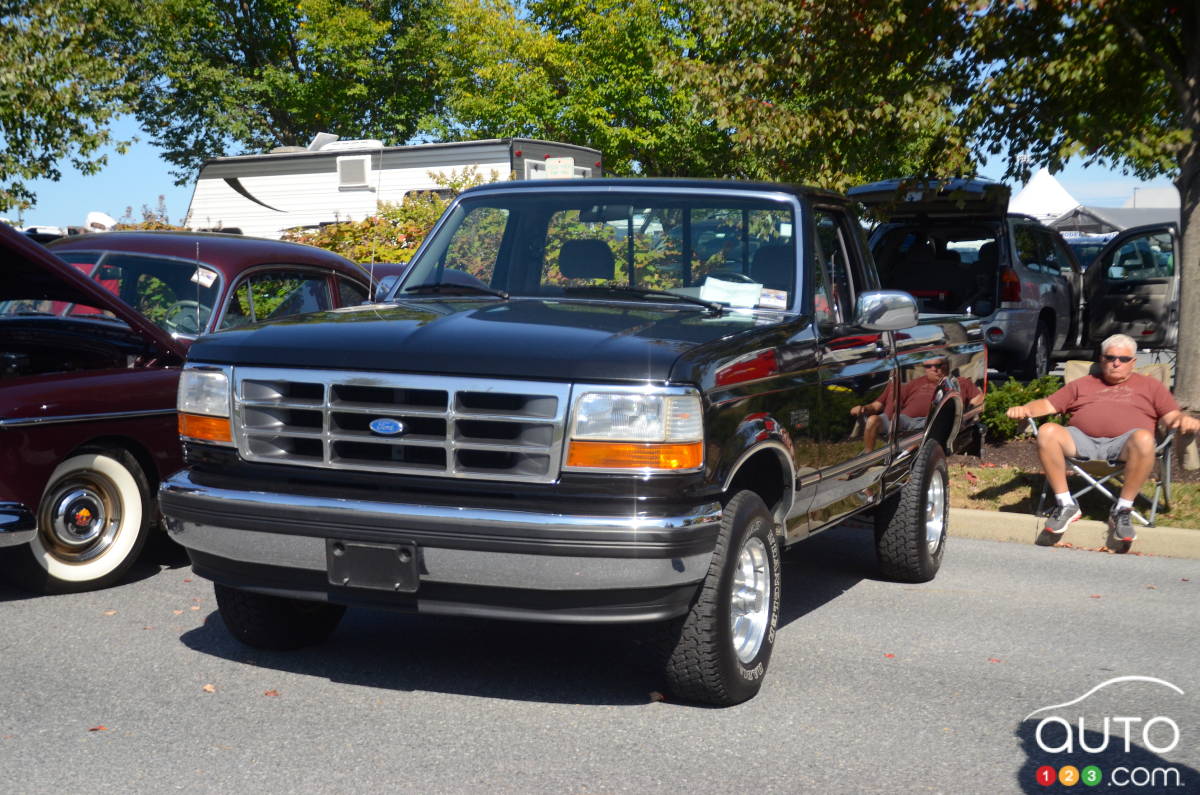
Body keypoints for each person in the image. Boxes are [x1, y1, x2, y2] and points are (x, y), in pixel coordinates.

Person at [1006, 333, 1200, 549]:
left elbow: (1171, 417)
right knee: (1047, 431)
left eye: (1124, 359)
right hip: (1082, 441)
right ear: (1101, 359)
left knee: (1145, 438)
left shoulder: (1151, 386)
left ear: (1133, 362)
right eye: (1110, 357)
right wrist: (1025, 409)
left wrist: (1184, 420)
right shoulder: (1082, 384)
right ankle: (1066, 504)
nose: (1116, 363)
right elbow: (1048, 405)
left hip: (1125, 446)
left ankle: (1123, 509)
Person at [852, 357, 982, 451]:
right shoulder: (915, 383)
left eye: (938, 365)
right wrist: (864, 408)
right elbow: (882, 404)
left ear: (947, 365)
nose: (934, 369)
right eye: (928, 366)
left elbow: (979, 399)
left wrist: (969, 410)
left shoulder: (960, 382)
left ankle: (902, 457)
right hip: (905, 420)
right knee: (873, 420)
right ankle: (868, 455)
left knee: (923, 432)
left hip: (932, 422)